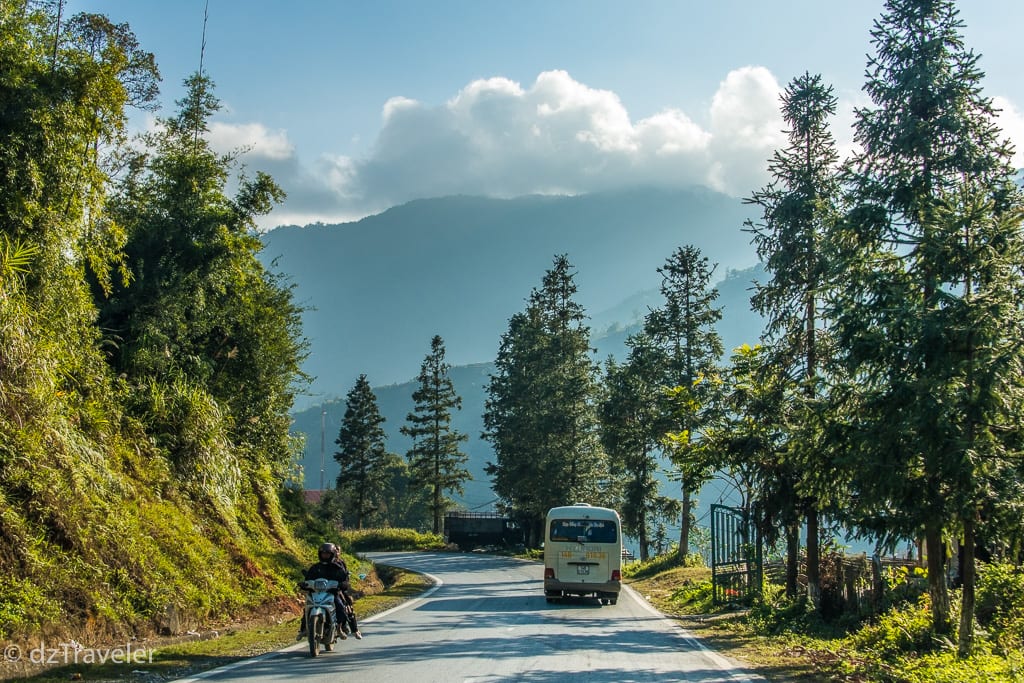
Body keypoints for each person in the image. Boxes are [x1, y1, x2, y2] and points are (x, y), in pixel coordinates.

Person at [297, 542, 362, 640]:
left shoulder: (337, 567)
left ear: (332, 554)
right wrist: (304, 584)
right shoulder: (315, 567)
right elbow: (308, 578)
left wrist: (342, 585)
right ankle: (304, 629)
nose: (325, 555)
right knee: (307, 607)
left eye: (327, 553)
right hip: (316, 593)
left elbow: (344, 579)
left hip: (332, 593)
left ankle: (340, 626)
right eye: (323, 553)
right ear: (320, 554)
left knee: (341, 606)